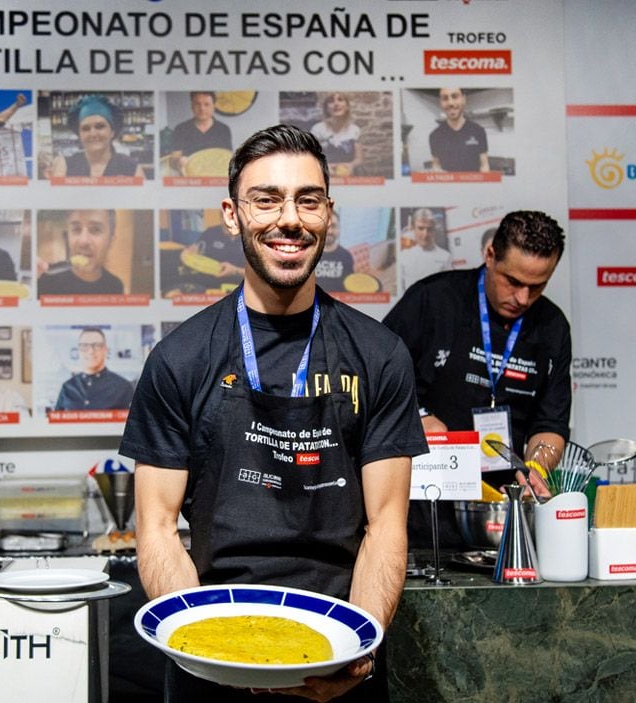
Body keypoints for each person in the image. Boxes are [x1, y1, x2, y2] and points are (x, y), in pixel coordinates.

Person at [120, 124, 427, 702]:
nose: (290, 219)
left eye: (307, 200)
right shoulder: (180, 359)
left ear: (328, 215)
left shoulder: (379, 355)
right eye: (266, 199)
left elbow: (385, 524)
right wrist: (199, 641)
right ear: (232, 215)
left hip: (337, 659)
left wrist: (358, 647)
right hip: (209, 660)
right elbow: (157, 527)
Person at [384, 210, 571, 548]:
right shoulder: (433, 300)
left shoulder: (552, 327)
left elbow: (551, 423)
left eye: (537, 286)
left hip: (500, 511)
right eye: (513, 281)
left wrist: (536, 469)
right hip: (419, 509)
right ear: (489, 256)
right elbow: (370, 382)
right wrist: (414, 418)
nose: (523, 299)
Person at [50, 94, 144, 179]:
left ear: (112, 132)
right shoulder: (65, 166)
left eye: (100, 126)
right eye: (86, 128)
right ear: (79, 135)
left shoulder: (131, 168)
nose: (93, 134)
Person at [37, 209, 124, 295]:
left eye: (96, 229)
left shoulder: (115, 286)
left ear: (111, 240)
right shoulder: (45, 280)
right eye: (76, 229)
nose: (83, 241)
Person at [54, 328, 134, 411]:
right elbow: (55, 422)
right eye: (85, 346)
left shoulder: (123, 387)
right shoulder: (67, 388)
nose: (91, 351)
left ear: (105, 350)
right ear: (78, 351)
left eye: (97, 345)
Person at [168, 92, 233, 175]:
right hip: (189, 177)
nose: (202, 108)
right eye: (197, 104)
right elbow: (173, 159)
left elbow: (227, 158)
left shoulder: (223, 129)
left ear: (214, 106)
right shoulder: (180, 128)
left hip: (216, 177)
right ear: (192, 106)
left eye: (207, 104)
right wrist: (178, 161)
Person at [428, 87, 489, 173]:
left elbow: (484, 166)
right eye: (445, 98)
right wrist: (436, 171)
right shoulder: (434, 136)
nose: (450, 103)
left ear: (463, 99)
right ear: (441, 103)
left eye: (455, 96)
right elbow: (436, 165)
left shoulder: (479, 131)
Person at [310, 92, 364, 177]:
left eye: (340, 100)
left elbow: (359, 159)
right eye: (331, 101)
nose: (336, 104)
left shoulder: (355, 130)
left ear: (347, 107)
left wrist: (351, 165)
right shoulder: (317, 130)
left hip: (348, 177)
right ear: (327, 108)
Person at [398, 208, 453, 290]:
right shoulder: (404, 256)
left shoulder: (445, 257)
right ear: (413, 229)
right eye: (420, 228)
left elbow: (447, 289)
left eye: (429, 229)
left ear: (434, 230)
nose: (425, 234)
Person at [315, 210, 355, 292]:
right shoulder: (309, 255)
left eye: (333, 226)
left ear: (339, 229)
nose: (329, 231)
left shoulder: (346, 256)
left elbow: (350, 286)